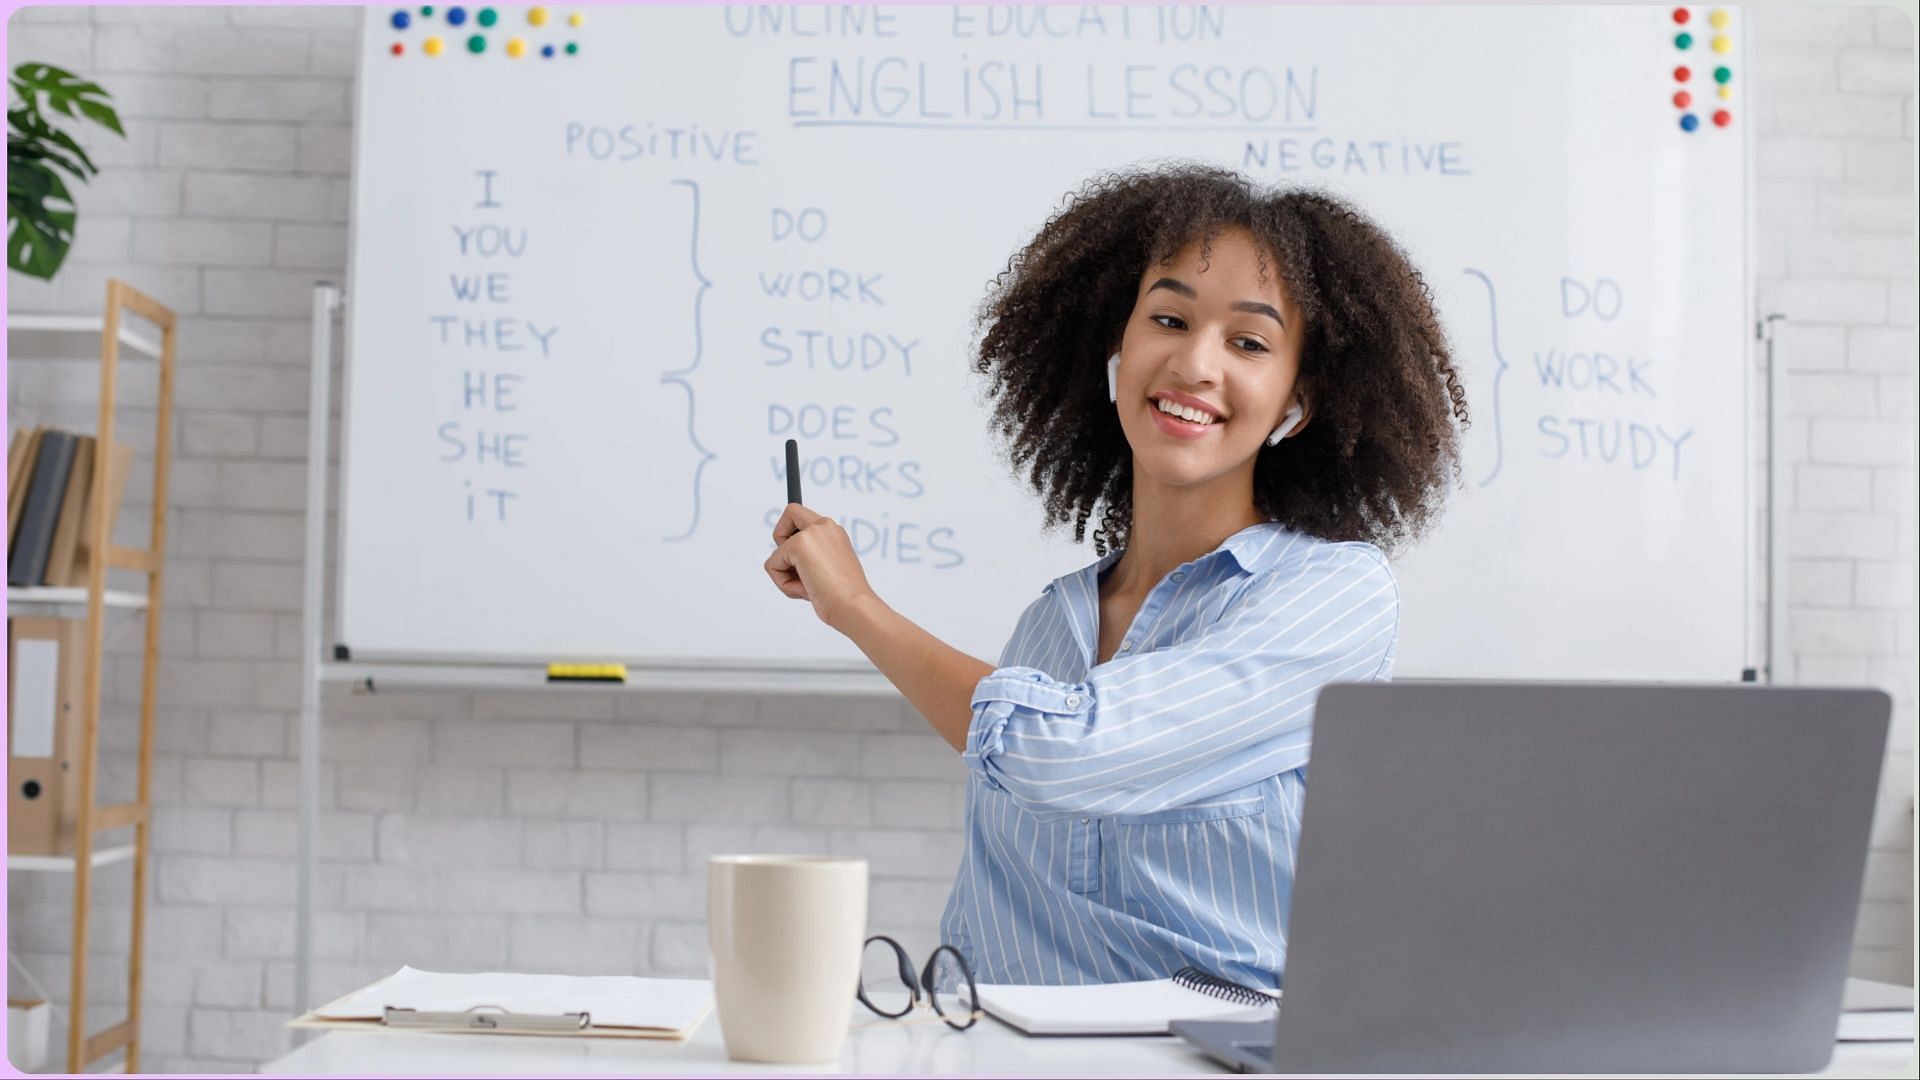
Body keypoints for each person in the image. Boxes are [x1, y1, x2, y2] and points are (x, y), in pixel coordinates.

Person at [764, 163, 1468, 987]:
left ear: (1296, 404)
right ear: (1117, 348)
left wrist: (853, 606)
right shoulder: (1052, 624)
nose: (1196, 363)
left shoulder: (1329, 598)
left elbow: (1057, 754)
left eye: (1248, 342)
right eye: (1168, 318)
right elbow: (989, 921)